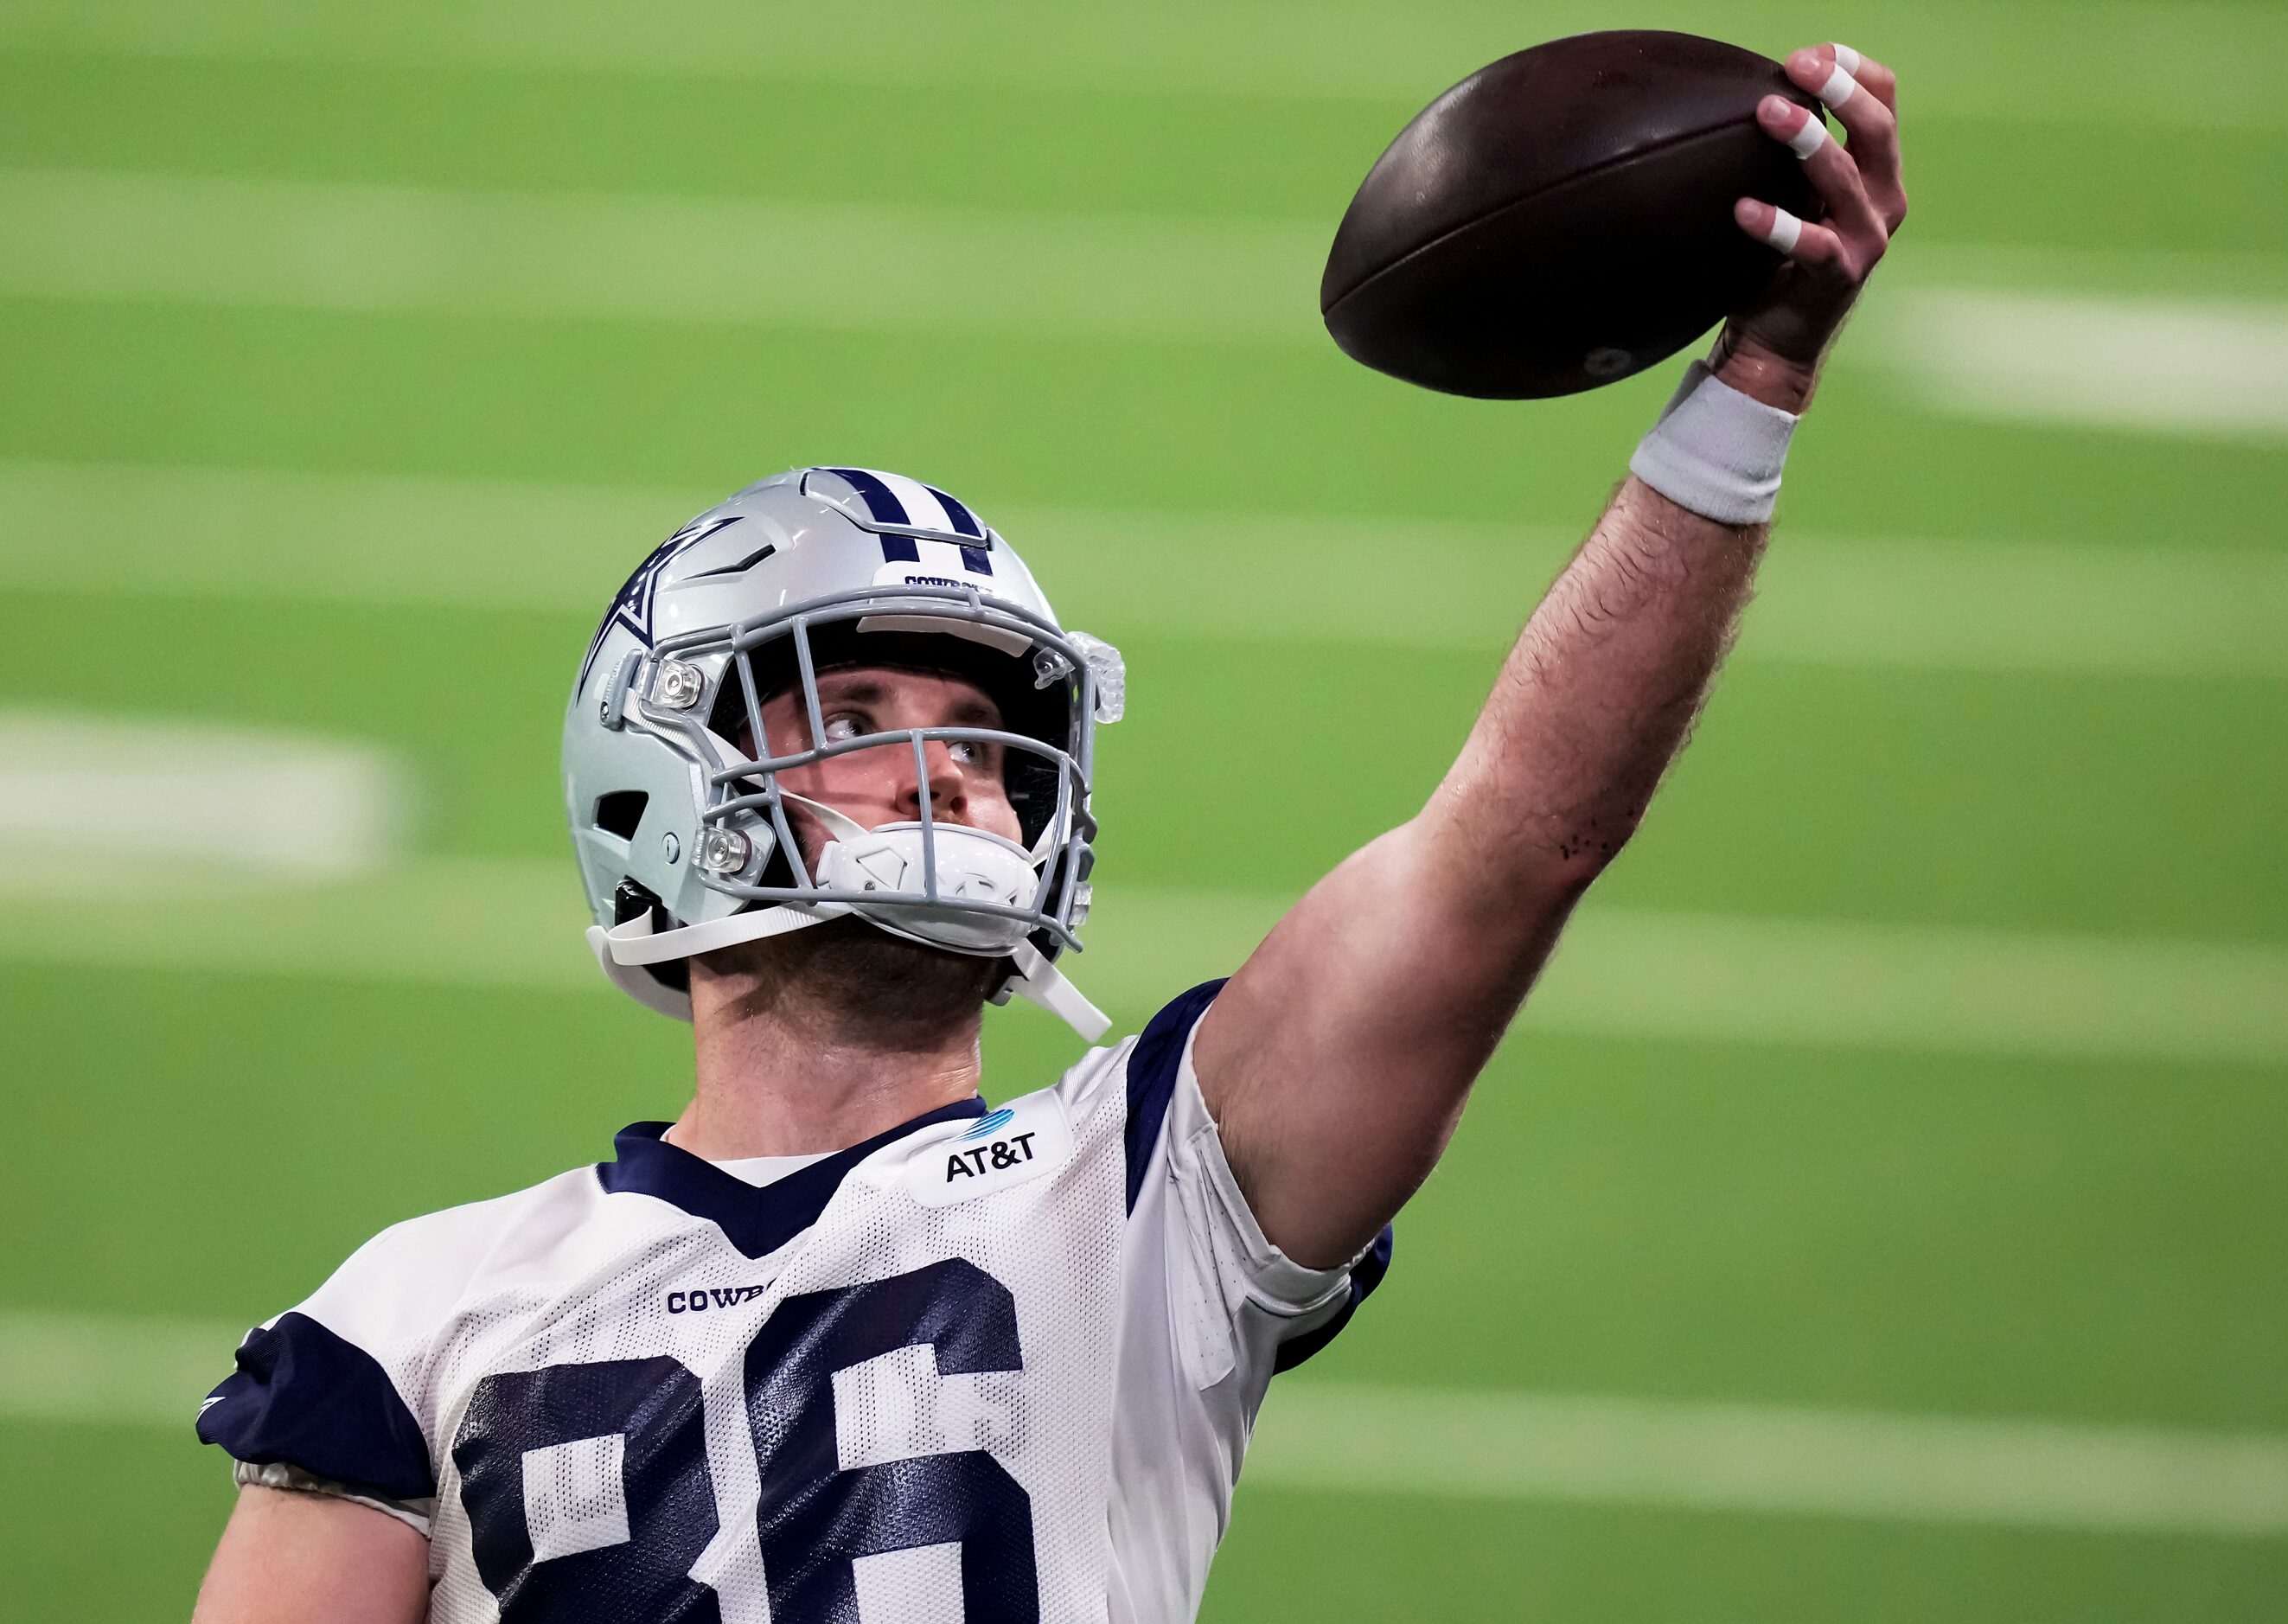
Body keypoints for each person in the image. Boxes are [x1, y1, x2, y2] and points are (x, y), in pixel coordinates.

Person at [192, 42, 1904, 1623]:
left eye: (990, 747)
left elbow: (1515, 836)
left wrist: (1749, 391)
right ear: (660, 797)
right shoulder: (419, 1314)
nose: (948, 777)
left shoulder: (1157, 1185)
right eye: (854, 722)